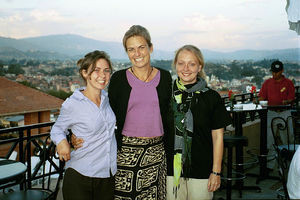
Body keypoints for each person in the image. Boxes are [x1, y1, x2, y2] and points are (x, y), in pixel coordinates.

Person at [72, 25, 173, 200]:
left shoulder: (165, 77)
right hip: (126, 153)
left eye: (141, 47)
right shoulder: (119, 79)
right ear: (127, 52)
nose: (137, 53)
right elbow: (103, 112)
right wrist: (74, 133)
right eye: (131, 49)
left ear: (151, 47)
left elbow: (170, 115)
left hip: (157, 153)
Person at [166, 45, 232, 200]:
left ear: (200, 66)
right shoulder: (165, 95)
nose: (186, 68)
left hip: (202, 171)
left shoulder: (211, 98)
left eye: (192, 63)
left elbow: (218, 138)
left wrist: (216, 172)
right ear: (175, 65)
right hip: (171, 171)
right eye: (181, 63)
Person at [50, 50, 117, 200]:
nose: (103, 75)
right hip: (81, 176)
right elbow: (57, 129)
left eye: (106, 70)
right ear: (85, 73)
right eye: (96, 70)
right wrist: (62, 142)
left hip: (108, 175)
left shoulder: (107, 99)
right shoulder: (73, 104)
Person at [259, 60, 295, 169]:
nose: (275, 74)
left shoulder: (288, 83)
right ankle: (270, 165)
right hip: (271, 113)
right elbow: (261, 97)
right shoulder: (267, 83)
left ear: (282, 71)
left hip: (284, 113)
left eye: (277, 72)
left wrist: (286, 101)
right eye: (273, 72)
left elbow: (291, 98)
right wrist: (260, 100)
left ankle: (290, 164)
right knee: (269, 140)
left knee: (288, 139)